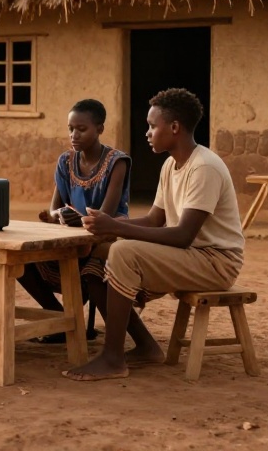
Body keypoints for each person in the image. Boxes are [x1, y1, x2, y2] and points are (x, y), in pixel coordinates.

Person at [62, 88, 244, 382]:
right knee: (99, 255)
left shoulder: (204, 167)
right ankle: (146, 345)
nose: (147, 133)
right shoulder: (171, 164)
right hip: (190, 256)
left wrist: (118, 228)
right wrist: (110, 226)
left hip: (215, 261)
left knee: (123, 251)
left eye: (152, 125)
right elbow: (155, 219)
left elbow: (183, 235)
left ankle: (113, 358)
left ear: (174, 128)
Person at [20, 99, 131, 344]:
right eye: (70, 128)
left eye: (82, 129)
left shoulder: (117, 162)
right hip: (71, 235)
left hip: (106, 236)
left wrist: (78, 220)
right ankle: (59, 318)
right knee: (19, 263)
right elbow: (54, 210)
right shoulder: (65, 162)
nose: (74, 135)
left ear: (100, 129)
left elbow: (106, 216)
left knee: (93, 263)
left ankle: (71, 319)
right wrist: (58, 215)